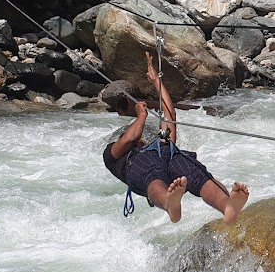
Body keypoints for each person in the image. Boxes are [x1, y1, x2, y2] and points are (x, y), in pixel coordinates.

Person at [101, 53, 249, 223]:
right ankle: (169, 203)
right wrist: (141, 115)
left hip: (167, 155)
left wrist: (157, 82)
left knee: (195, 173)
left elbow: (170, 115)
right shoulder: (113, 156)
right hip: (140, 165)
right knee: (152, 174)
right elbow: (129, 139)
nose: (139, 138)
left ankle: (227, 206)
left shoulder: (160, 143)